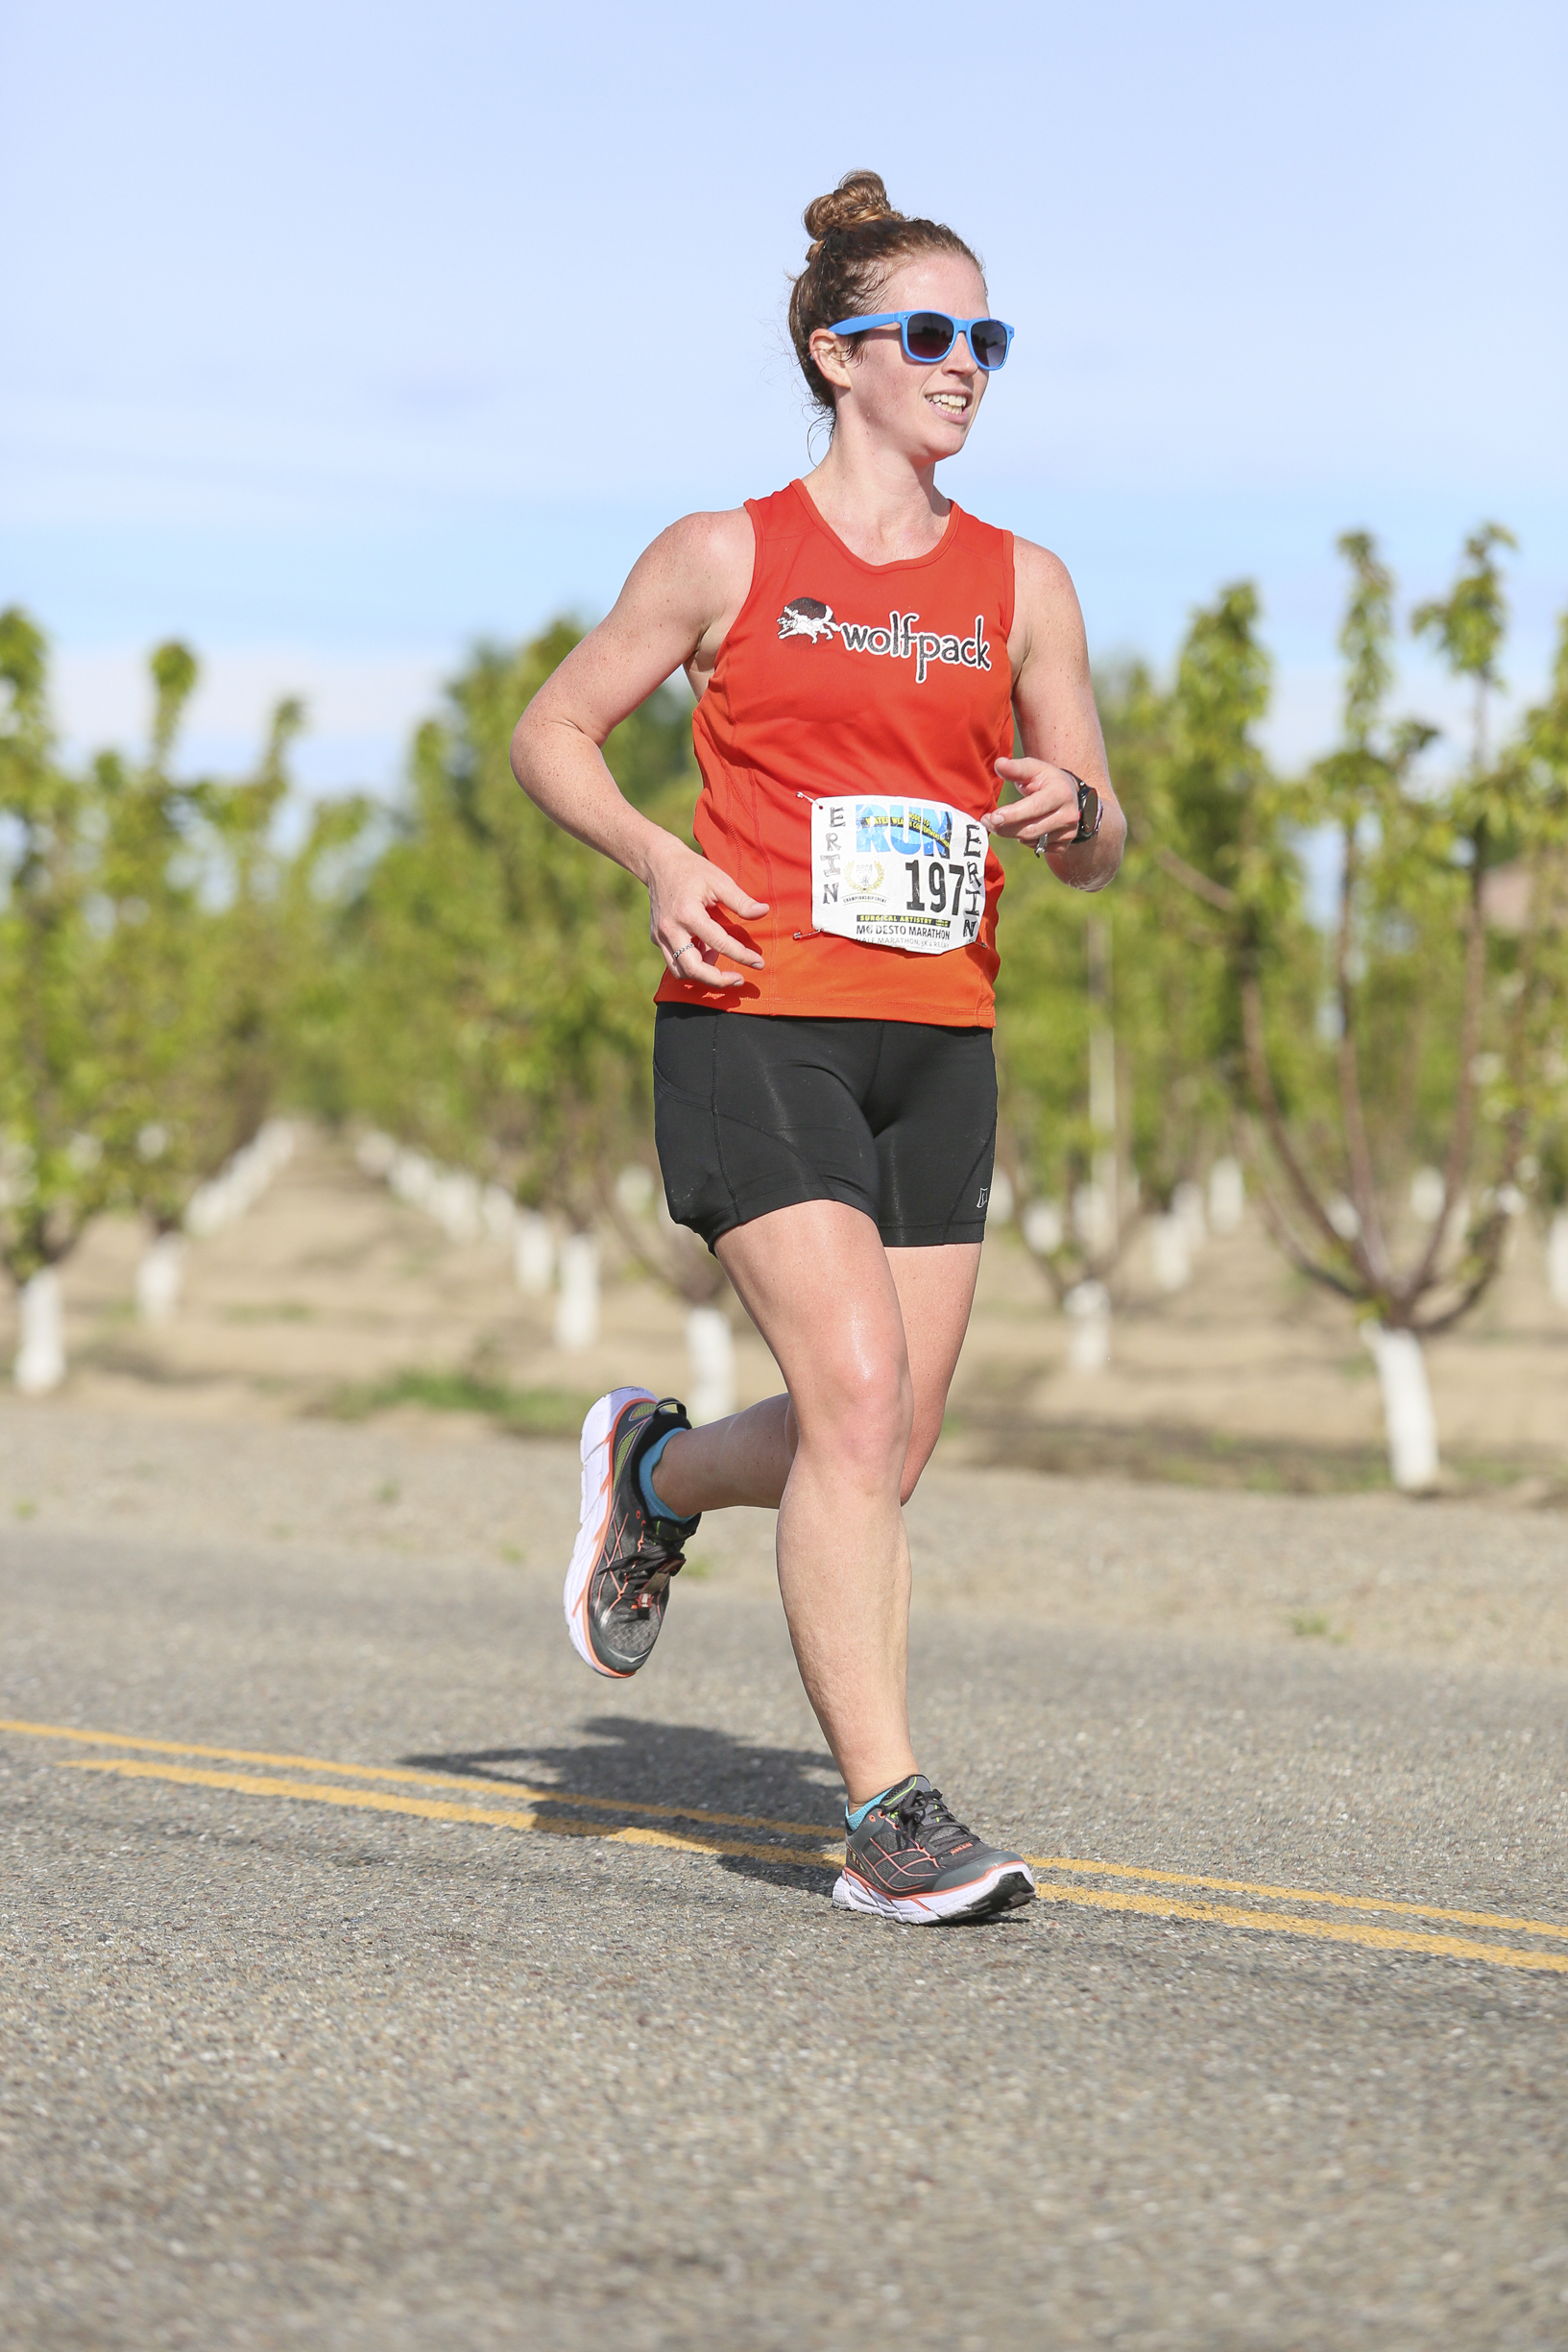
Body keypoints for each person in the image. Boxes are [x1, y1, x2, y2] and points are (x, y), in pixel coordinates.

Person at [511, 170, 1124, 1925]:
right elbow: (553, 728)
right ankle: (887, 1816)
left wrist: (1077, 804)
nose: (965, 365)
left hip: (939, 1039)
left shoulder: (1023, 582)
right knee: (853, 1404)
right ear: (833, 352)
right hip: (753, 1018)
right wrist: (657, 854)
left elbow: (1096, 838)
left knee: (888, 1436)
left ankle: (653, 1469)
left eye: (985, 339)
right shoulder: (724, 553)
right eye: (929, 335)